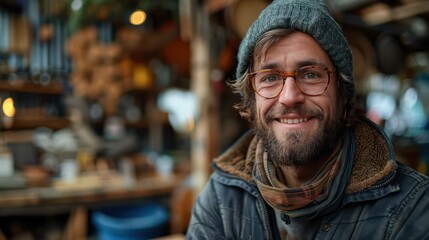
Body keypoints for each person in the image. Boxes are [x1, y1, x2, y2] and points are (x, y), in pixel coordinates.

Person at [186, 0, 429, 239]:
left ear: (342, 93)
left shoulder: (412, 209)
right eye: (270, 78)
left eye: (311, 74)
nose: (289, 97)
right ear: (251, 99)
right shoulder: (221, 198)